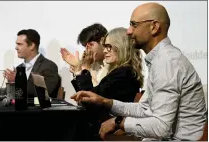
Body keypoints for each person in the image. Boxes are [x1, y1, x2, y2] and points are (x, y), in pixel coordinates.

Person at [71, 2, 207, 141]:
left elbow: (161, 127)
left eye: (134, 25)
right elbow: (144, 109)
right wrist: (105, 101)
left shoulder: (167, 62)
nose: (129, 31)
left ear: (154, 27)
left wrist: (118, 122)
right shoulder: (161, 59)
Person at [4, 29, 60, 102]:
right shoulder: (19, 68)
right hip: (19, 108)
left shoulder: (49, 66)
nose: (16, 47)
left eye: (19, 44)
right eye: (16, 44)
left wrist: (19, 81)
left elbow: (45, 93)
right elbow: (13, 95)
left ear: (32, 46)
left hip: (38, 111)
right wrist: (11, 85)